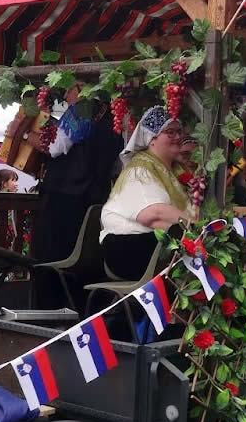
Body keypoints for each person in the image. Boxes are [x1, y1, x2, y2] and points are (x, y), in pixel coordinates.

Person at [30, 86, 123, 264]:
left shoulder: (80, 111)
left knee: (53, 254)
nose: (66, 95)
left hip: (64, 197)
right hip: (94, 198)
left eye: (69, 89)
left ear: (82, 88)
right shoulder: (112, 116)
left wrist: (25, 134)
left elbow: (54, 147)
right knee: (82, 254)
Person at [101, 106, 191, 280]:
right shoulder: (139, 168)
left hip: (150, 244)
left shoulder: (172, 169)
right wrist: (198, 227)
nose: (177, 137)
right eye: (170, 132)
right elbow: (153, 214)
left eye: (179, 132)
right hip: (128, 251)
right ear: (152, 139)